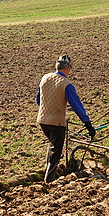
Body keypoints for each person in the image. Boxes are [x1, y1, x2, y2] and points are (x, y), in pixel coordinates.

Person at [36, 54, 96, 183]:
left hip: (42, 120)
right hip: (56, 122)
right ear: (67, 69)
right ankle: (49, 180)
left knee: (52, 146)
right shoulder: (66, 84)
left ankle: (47, 172)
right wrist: (87, 124)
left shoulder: (44, 78)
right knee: (56, 151)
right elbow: (76, 105)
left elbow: (38, 100)